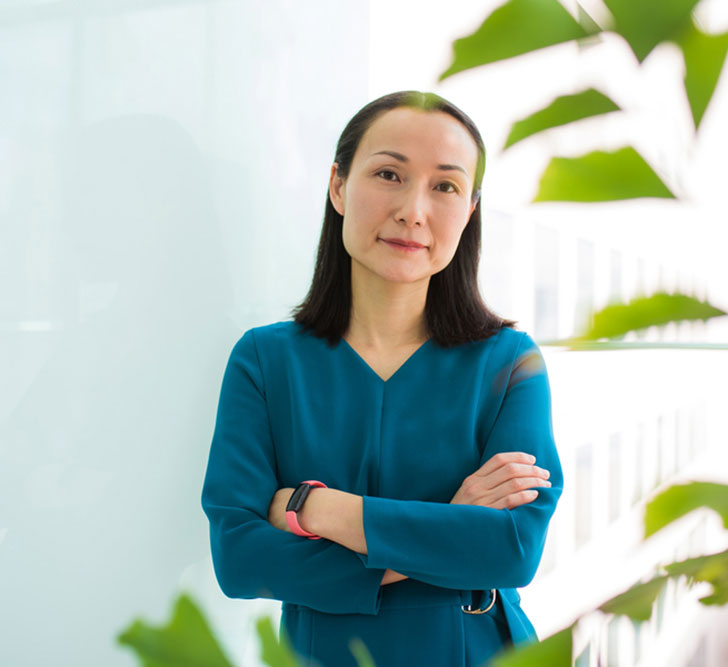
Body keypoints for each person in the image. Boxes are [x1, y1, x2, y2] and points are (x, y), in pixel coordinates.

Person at [201, 90, 564, 667]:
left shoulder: (512, 363)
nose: (413, 210)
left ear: (469, 209)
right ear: (339, 186)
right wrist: (452, 520)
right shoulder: (264, 361)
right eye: (389, 174)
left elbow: (512, 550)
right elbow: (239, 560)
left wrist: (317, 510)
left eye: (444, 185)